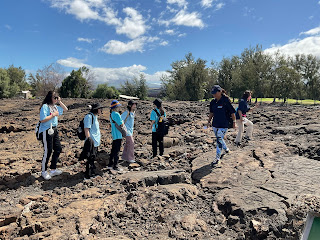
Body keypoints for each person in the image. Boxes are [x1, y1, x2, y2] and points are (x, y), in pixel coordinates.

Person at [39, 91, 68, 180]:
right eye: (54, 97)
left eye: (57, 97)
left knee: (58, 148)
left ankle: (53, 169)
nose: (56, 99)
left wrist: (59, 101)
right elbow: (42, 119)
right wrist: (53, 115)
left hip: (54, 129)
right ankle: (43, 171)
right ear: (50, 98)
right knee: (48, 150)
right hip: (46, 130)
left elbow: (65, 109)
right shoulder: (45, 106)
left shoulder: (55, 106)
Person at [206, 85, 236, 167]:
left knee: (219, 138)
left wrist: (234, 122)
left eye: (215, 93)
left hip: (224, 124)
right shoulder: (212, 102)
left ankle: (217, 158)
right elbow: (211, 113)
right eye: (213, 93)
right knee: (219, 138)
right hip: (215, 124)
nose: (214, 95)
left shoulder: (226, 100)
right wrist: (208, 121)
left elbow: (232, 112)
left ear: (219, 92)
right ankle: (226, 149)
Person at [81, 103, 103, 179]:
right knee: (90, 158)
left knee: (93, 157)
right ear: (96, 109)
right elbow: (86, 129)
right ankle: (88, 174)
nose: (101, 110)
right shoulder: (89, 117)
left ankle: (91, 172)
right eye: (99, 108)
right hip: (92, 141)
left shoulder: (95, 117)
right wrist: (89, 140)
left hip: (95, 141)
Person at [108, 100, 124, 171]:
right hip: (118, 134)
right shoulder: (117, 114)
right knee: (117, 150)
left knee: (113, 150)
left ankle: (110, 164)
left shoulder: (111, 114)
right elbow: (121, 124)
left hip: (114, 134)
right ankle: (116, 166)